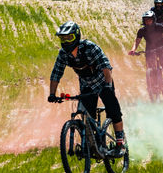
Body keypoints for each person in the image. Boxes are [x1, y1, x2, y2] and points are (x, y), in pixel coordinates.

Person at [48, 21, 125, 154]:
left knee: (113, 110)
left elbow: (105, 66)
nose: (65, 42)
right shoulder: (63, 54)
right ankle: (94, 144)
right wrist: (52, 94)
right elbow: (56, 73)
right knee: (87, 115)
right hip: (86, 85)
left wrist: (108, 85)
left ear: (76, 36)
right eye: (63, 38)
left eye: (69, 38)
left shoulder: (90, 47)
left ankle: (120, 142)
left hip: (102, 81)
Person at [128, 11, 163, 94]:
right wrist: (133, 50)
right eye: (145, 20)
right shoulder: (142, 30)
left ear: (153, 20)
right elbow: (137, 41)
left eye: (149, 20)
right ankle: (152, 85)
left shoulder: (159, 27)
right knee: (150, 66)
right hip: (150, 48)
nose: (147, 22)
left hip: (162, 47)